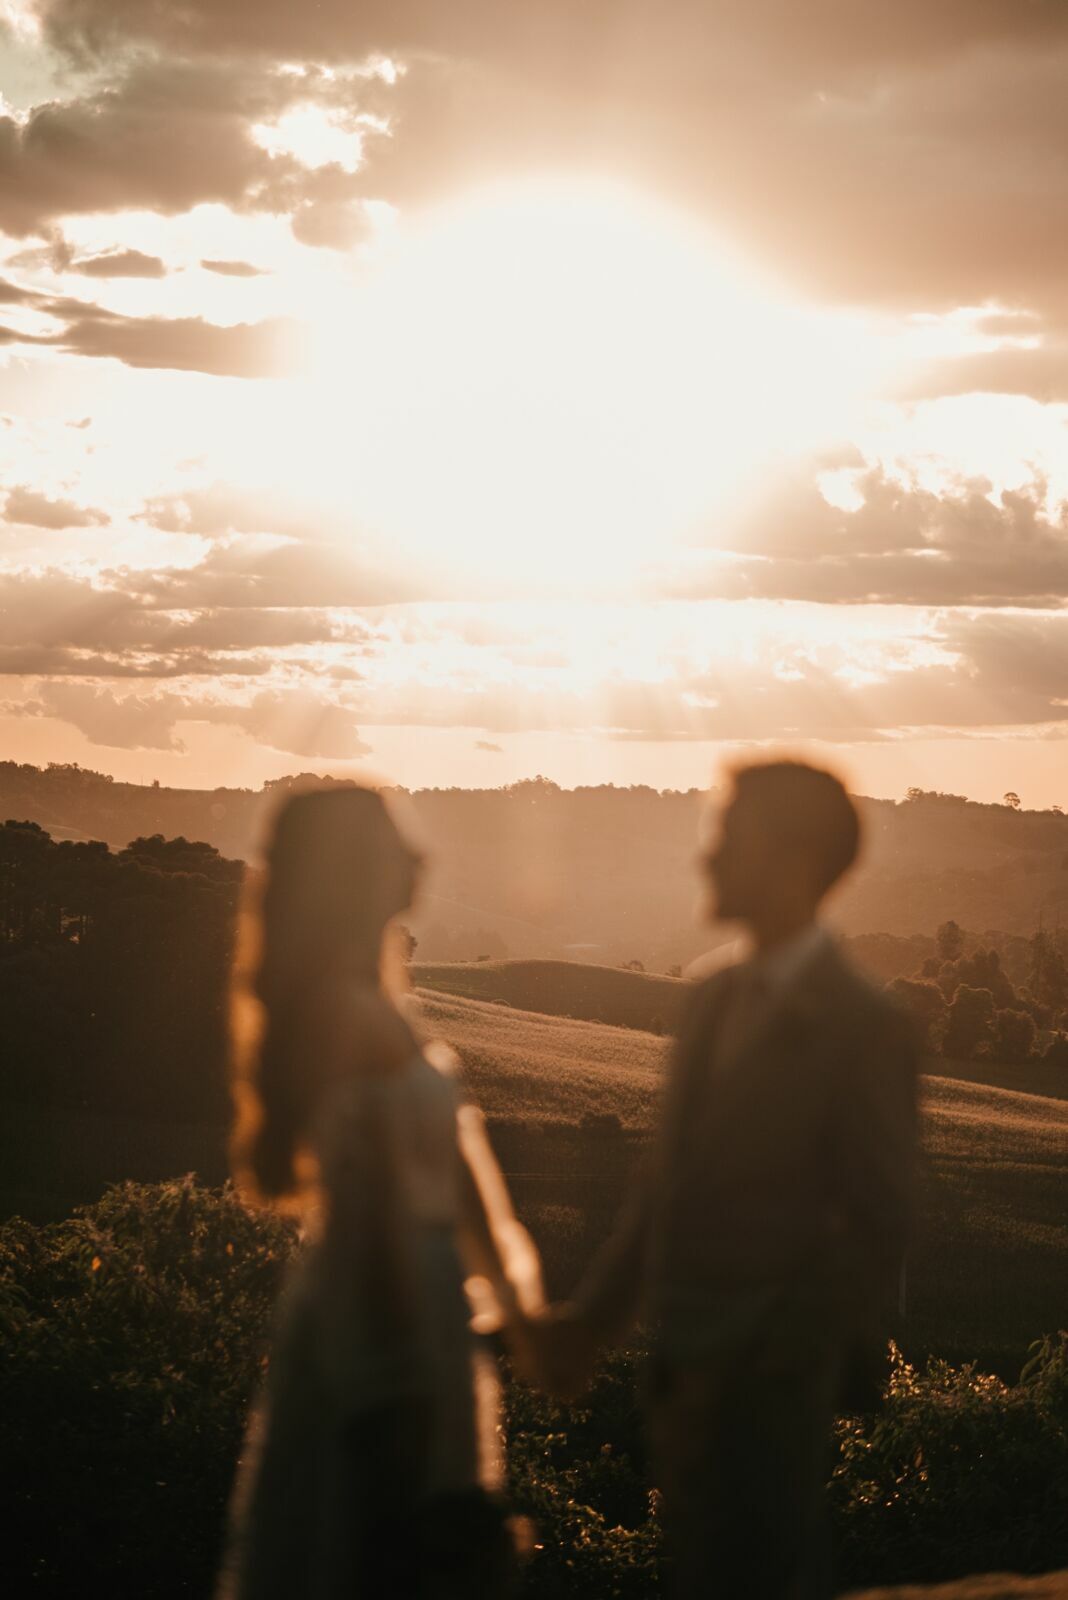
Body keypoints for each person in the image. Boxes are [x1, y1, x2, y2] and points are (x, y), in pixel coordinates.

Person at [536, 759, 919, 1600]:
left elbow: (881, 1219)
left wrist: (783, 1360)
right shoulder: (710, 997)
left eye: (726, 839)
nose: (706, 860)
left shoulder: (867, 1027)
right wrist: (591, 1327)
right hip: (682, 1373)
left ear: (792, 860)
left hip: (773, 1386)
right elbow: (662, 1187)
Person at [216, 783, 544, 1600]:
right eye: (398, 845)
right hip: (388, 1319)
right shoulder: (344, 1016)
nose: (421, 857)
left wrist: (514, 1311)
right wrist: (394, 1390)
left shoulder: (373, 1008)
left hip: (423, 1312)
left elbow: (457, 1187)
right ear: (350, 872)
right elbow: (371, 1219)